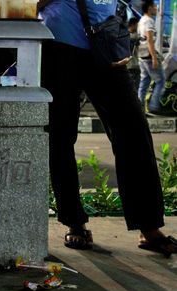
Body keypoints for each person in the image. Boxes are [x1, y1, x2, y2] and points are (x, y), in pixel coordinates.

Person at [38, 0, 177, 256]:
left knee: (133, 131)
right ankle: (74, 222)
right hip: (59, 45)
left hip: (105, 42)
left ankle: (149, 227)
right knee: (61, 134)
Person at [137, 0, 165, 115]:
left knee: (144, 83)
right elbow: (150, 40)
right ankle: (154, 106)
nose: (156, 8)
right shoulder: (149, 21)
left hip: (141, 55)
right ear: (149, 8)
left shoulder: (141, 20)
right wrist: (154, 57)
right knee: (161, 80)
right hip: (148, 56)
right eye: (154, 6)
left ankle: (139, 109)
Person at [127, 17, 141, 97]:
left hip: (136, 66)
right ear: (133, 25)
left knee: (136, 88)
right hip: (130, 66)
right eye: (137, 25)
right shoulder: (126, 36)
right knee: (131, 88)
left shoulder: (135, 36)